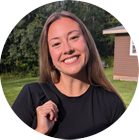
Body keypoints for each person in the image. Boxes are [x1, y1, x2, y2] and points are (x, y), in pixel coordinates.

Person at [12, 11, 126, 139]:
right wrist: (39, 131)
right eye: (56, 44)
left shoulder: (111, 103)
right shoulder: (31, 95)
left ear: (87, 42)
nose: (67, 49)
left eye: (74, 37)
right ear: (49, 56)